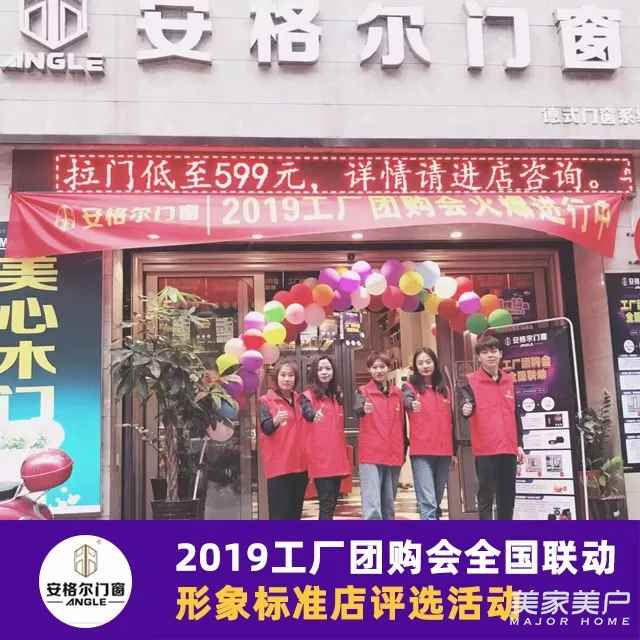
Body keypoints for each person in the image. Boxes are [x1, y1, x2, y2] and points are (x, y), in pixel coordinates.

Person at [459, 334, 525, 520]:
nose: (490, 355)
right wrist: (466, 409)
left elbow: (515, 413)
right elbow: (465, 406)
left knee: (508, 495)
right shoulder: (470, 381)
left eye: (494, 351)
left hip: (508, 447)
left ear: (500, 354)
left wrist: (519, 444)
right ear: (478, 357)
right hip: (486, 448)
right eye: (485, 352)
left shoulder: (509, 380)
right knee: (486, 496)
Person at [402, 348, 456, 520]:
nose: (425, 366)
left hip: (444, 451)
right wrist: (411, 404)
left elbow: (452, 421)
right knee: (428, 501)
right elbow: (405, 400)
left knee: (437, 499)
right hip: (422, 452)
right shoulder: (409, 387)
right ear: (415, 366)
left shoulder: (444, 389)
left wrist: (454, 452)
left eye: (428, 362)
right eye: (420, 363)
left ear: (434, 363)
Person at [354, 351, 406, 520]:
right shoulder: (362, 391)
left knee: (389, 504)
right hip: (371, 454)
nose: (379, 371)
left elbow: (402, 423)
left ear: (388, 368)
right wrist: (363, 409)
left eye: (382, 366)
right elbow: (358, 408)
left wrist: (404, 449)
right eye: (374, 367)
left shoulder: (397, 393)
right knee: (372, 505)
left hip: (393, 452)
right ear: (369, 370)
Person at [300, 355, 351, 520]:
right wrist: (313, 415)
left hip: (337, 457)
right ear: (314, 372)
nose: (324, 372)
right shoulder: (307, 396)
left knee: (332, 502)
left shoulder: (337, 396)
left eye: (328, 368)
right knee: (326, 502)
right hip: (321, 459)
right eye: (320, 369)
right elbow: (307, 412)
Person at [258, 359, 308, 520]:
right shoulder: (266, 400)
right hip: (279, 466)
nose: (287, 379)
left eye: (291, 375)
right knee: (280, 515)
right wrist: (275, 421)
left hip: (300, 466)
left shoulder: (301, 400)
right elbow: (266, 428)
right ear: (276, 377)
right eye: (283, 375)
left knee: (295, 513)